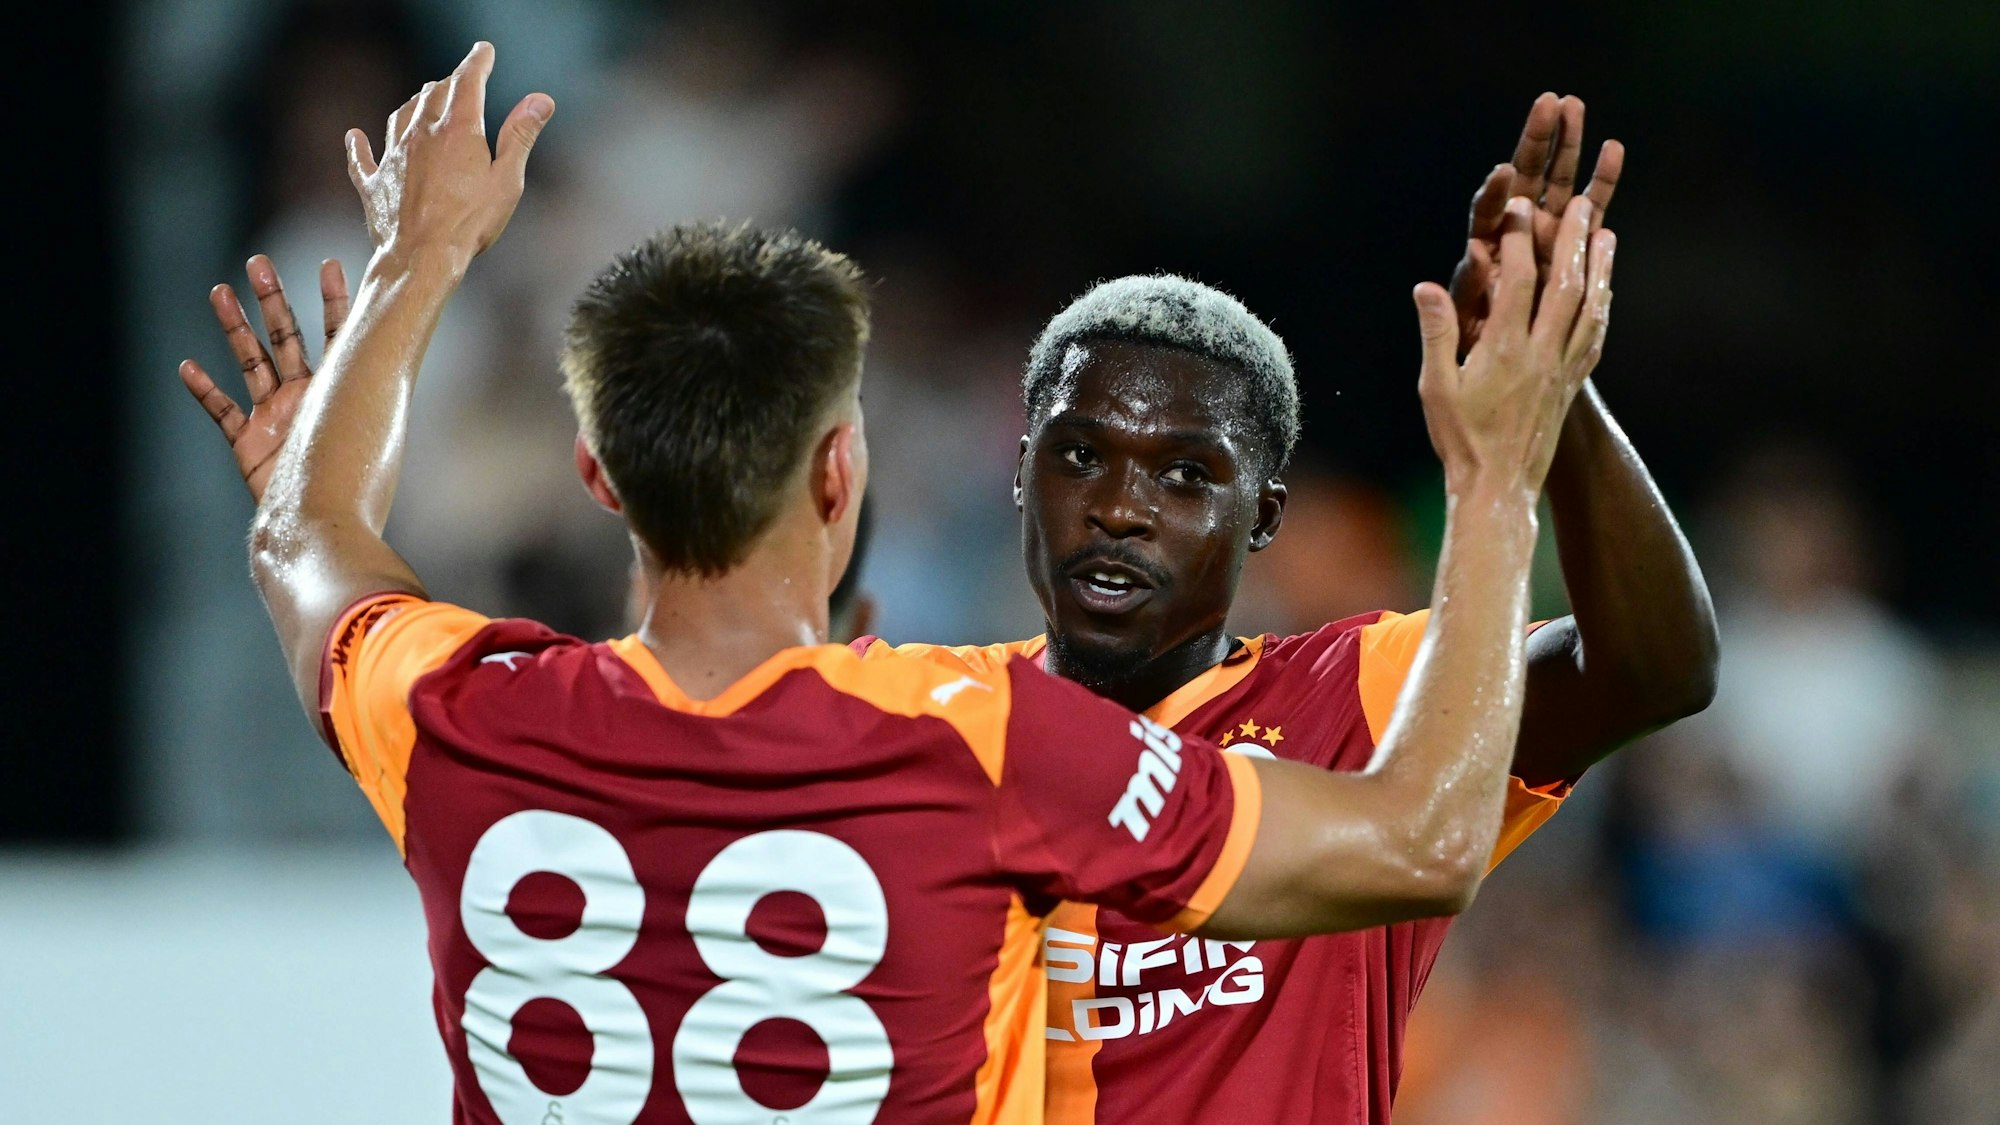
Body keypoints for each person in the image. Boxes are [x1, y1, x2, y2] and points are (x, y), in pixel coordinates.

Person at [182, 45, 1614, 1123]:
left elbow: (304, 537)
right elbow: (1421, 845)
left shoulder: (456, 717)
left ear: (598, 476)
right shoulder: (983, 737)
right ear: (840, 474)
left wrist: (414, 260)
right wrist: (1497, 471)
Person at [851, 94, 1720, 1123]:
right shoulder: (930, 721)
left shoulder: (1359, 702)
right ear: (1019, 477)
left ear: (1262, 516)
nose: (1121, 508)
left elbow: (1654, 668)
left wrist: (1547, 395)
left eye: (1183, 476)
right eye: (1079, 457)